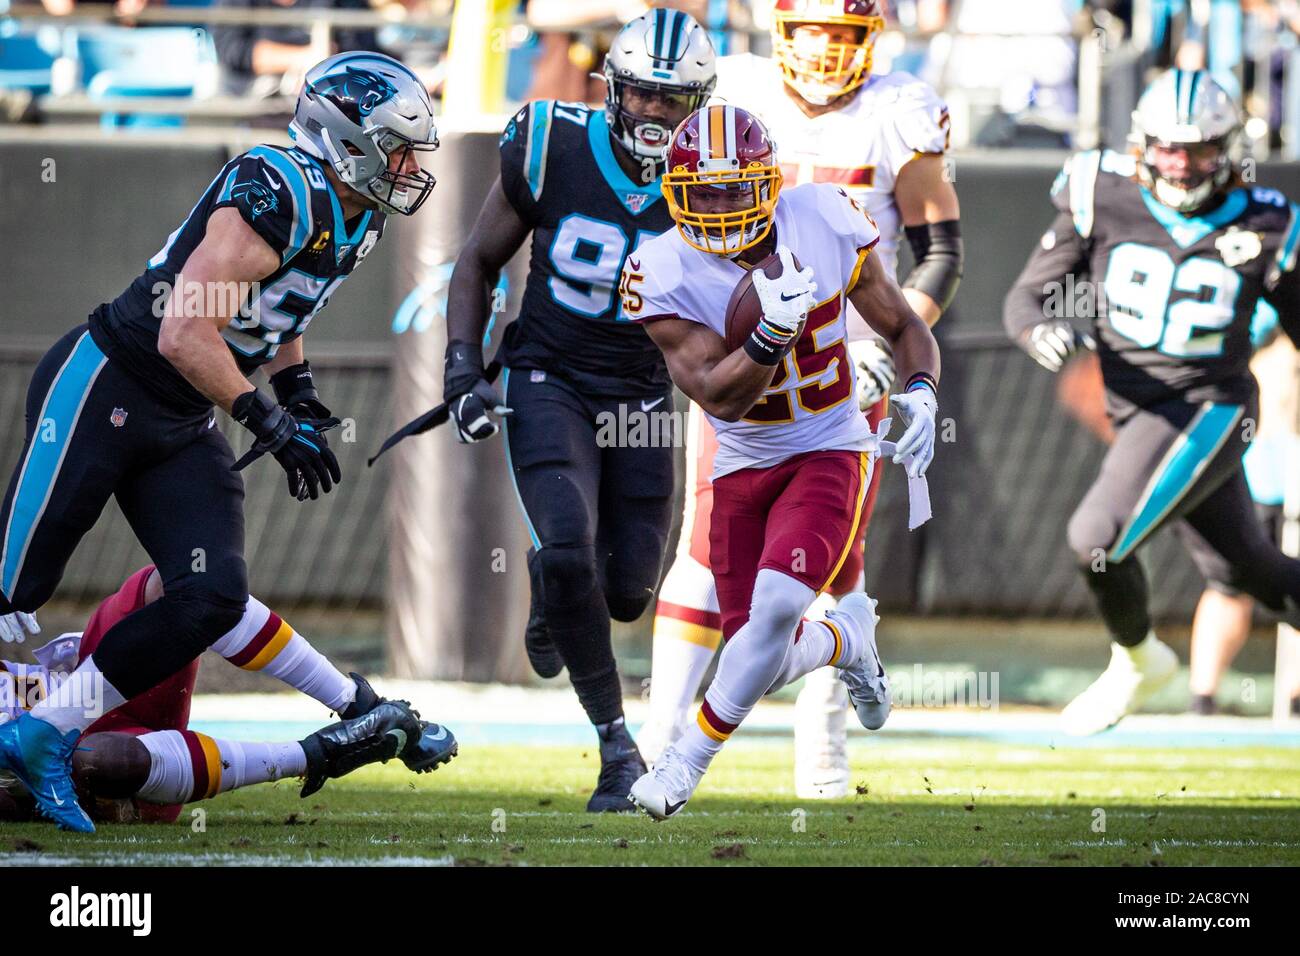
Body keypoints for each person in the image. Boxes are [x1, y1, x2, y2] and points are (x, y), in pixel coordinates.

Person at [0, 51, 442, 832]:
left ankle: (43, 733)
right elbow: (183, 332)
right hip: (111, 382)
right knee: (12, 588)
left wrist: (298, 397)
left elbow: (278, 316)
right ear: (348, 141)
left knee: (209, 596)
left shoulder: (357, 209)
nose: (409, 166)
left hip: (178, 416)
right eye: (397, 146)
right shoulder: (276, 189)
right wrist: (265, 418)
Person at [640, 0, 961, 800]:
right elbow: (713, 383)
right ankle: (658, 731)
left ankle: (819, 751)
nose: (822, 50)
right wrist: (761, 340)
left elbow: (938, 256)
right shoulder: (733, 93)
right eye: (810, 28)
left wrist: (898, 365)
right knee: (706, 560)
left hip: (843, 365)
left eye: (840, 33)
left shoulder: (894, 114)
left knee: (830, 570)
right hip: (740, 375)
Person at [443, 10, 716, 812]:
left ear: (699, 103)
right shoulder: (549, 142)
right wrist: (464, 366)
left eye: (674, 101)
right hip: (549, 375)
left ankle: (552, 593)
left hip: (641, 388)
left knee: (628, 590)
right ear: (613, 91)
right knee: (569, 552)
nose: (657, 116)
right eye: (642, 96)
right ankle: (616, 750)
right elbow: (477, 260)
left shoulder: (713, 169)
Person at [1003, 68, 1300, 736]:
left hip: (1212, 407)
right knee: (1251, 570)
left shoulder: (1266, 223)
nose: (1182, 163)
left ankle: (1138, 662)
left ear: (1226, 147)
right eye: (1168, 147)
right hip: (1136, 408)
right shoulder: (1102, 191)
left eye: (1197, 149)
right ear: (1142, 144)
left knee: (1095, 539)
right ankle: (1142, 662)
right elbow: (1025, 297)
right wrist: (1039, 328)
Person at [0, 566, 456, 824]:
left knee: (185, 581)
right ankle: (321, 754)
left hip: (87, 685)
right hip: (87, 758)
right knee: (101, 760)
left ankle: (359, 706)